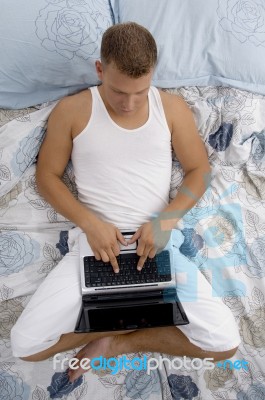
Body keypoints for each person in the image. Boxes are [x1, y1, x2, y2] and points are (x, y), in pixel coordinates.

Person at [11, 22, 240, 382]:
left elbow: (200, 170)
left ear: (152, 74)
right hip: (96, 247)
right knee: (25, 346)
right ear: (100, 69)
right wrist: (90, 224)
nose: (129, 103)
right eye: (119, 91)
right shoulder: (73, 110)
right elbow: (47, 177)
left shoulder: (171, 107)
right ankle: (104, 329)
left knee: (225, 344)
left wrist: (166, 221)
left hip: (159, 246)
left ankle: (117, 344)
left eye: (140, 91)